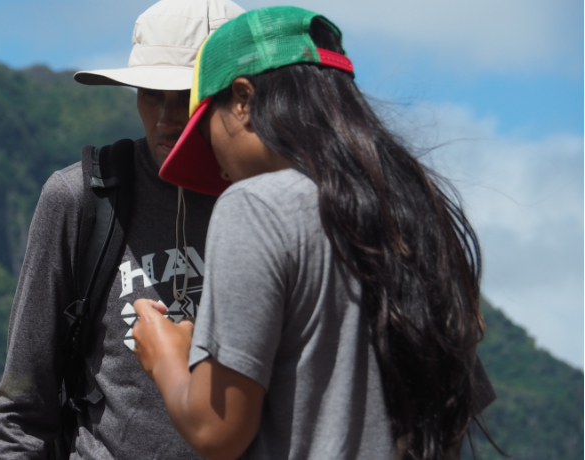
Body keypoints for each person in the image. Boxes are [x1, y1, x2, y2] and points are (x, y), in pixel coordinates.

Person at [131, 6, 495, 460]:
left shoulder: (255, 206)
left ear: (242, 99)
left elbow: (215, 429)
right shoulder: (417, 209)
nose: (218, 165)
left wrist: (165, 354)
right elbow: (453, 408)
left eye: (207, 131)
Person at [0, 1, 245, 459]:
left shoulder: (275, 207)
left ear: (234, 96)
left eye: (184, 95)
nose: (165, 118)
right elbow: (21, 410)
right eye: (149, 93)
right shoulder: (84, 198)